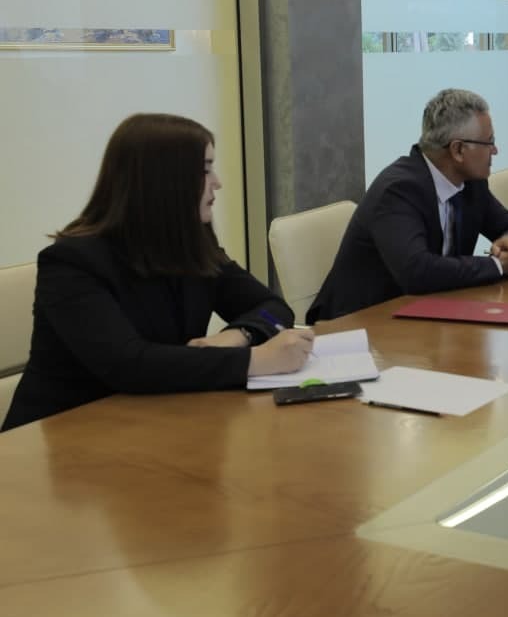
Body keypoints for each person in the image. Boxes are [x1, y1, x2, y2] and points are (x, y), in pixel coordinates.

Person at [2, 114, 312, 432]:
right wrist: (256, 361)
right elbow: (129, 364)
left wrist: (237, 336)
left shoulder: (191, 246)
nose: (217, 182)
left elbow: (273, 309)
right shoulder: (72, 264)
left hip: (150, 423)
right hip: (60, 438)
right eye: (206, 169)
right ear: (166, 181)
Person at [308, 90, 508, 323]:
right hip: (361, 323)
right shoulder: (399, 190)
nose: (495, 151)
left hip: (429, 312)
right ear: (458, 150)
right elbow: (417, 271)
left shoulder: (471, 183)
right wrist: (498, 265)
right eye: (489, 142)